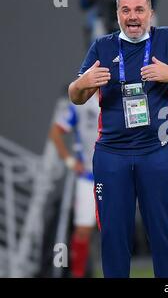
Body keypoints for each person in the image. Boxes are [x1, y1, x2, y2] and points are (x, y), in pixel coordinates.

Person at [68, 0, 168, 278]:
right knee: (113, 238)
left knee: (165, 236)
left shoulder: (166, 38)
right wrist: (83, 83)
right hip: (112, 157)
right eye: (126, 10)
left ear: (150, 14)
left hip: (158, 153)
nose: (133, 17)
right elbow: (75, 95)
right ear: (117, 15)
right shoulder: (102, 46)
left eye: (139, 10)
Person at [49, 93, 99, 278]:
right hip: (88, 176)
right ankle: (77, 274)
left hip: (115, 176)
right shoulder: (80, 104)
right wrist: (70, 161)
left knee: (116, 228)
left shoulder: (119, 97)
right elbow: (56, 132)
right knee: (83, 229)